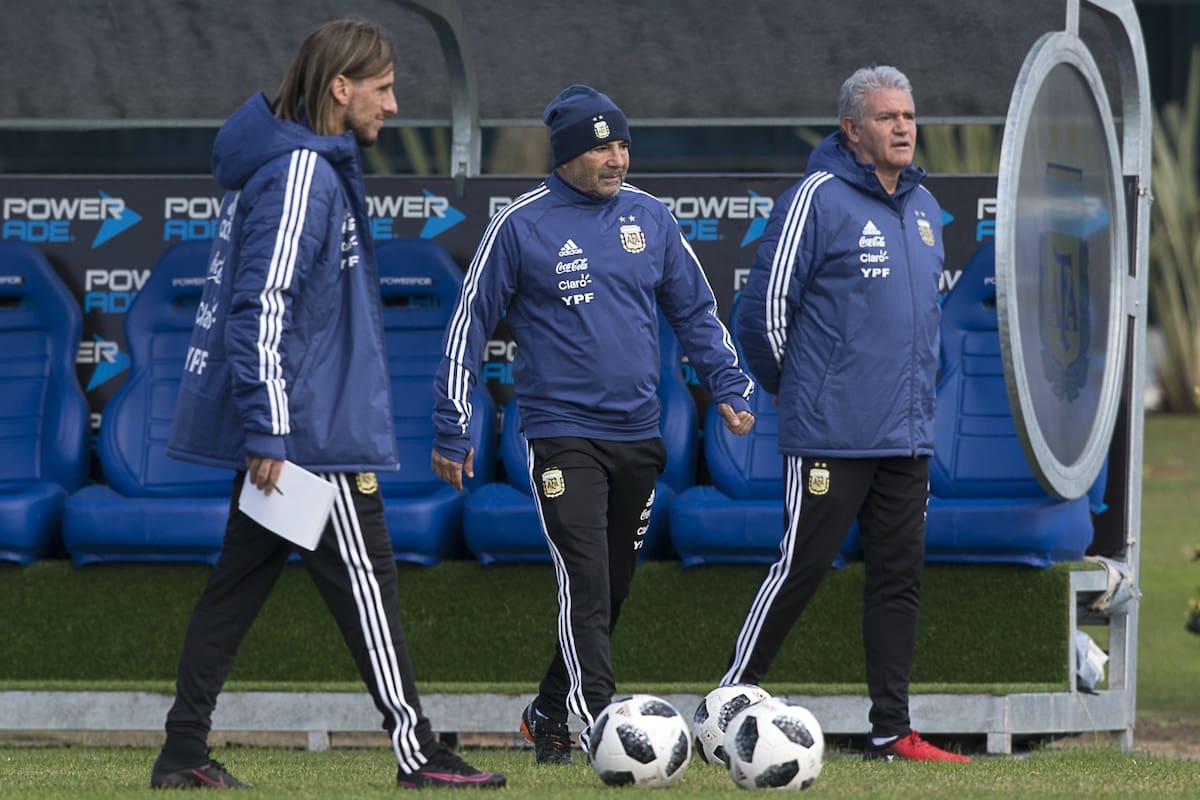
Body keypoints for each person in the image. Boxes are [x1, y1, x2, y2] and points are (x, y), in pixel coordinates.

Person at [150, 18, 505, 790]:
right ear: (340, 88)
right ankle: (418, 752)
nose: (395, 105)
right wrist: (272, 429)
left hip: (300, 424)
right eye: (382, 89)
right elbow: (263, 308)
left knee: (234, 590)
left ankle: (182, 751)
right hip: (310, 434)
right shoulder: (303, 172)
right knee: (369, 589)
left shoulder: (294, 166)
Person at [430, 84, 757, 764]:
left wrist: (727, 382)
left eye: (622, 144)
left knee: (610, 586)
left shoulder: (650, 218)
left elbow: (695, 311)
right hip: (559, 431)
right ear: (569, 154)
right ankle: (606, 728)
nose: (617, 158)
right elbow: (467, 329)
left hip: (638, 433)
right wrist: (452, 425)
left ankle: (546, 712)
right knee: (584, 576)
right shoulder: (520, 225)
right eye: (601, 146)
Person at [720, 65, 970, 763]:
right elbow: (760, 312)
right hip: (831, 432)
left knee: (899, 578)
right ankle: (729, 703)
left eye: (909, 116)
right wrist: (797, 390)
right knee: (801, 566)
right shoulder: (817, 198)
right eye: (888, 117)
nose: (903, 128)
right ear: (852, 130)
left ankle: (893, 730)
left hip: (907, 436)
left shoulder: (923, 207)